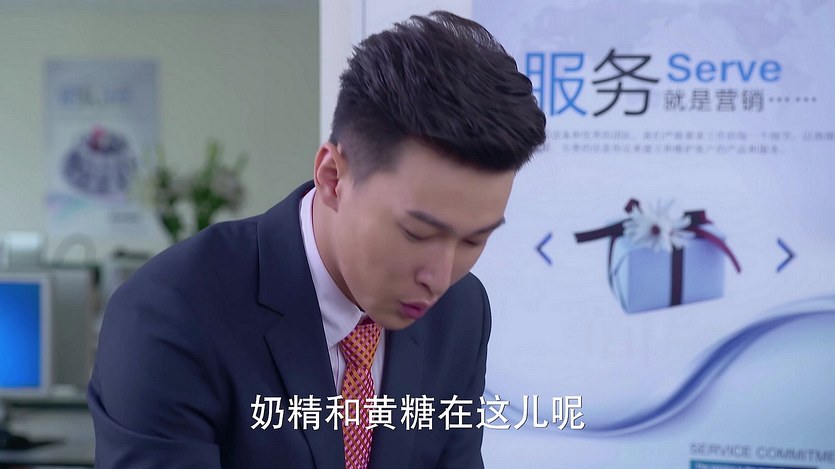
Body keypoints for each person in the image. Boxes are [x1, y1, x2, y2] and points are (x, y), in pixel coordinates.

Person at [88, 10, 545, 469]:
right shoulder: (172, 312)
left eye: (473, 241)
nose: (439, 277)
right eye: (416, 233)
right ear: (332, 177)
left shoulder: (460, 312)